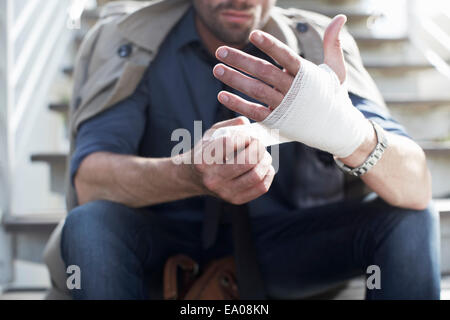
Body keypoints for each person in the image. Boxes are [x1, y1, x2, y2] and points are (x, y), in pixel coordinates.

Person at [59, 0, 440, 299]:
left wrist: (348, 133)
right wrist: (190, 173)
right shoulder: (133, 42)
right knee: (90, 223)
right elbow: (90, 182)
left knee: (410, 218)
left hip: (287, 248)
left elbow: (415, 185)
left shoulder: (317, 47)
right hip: (163, 242)